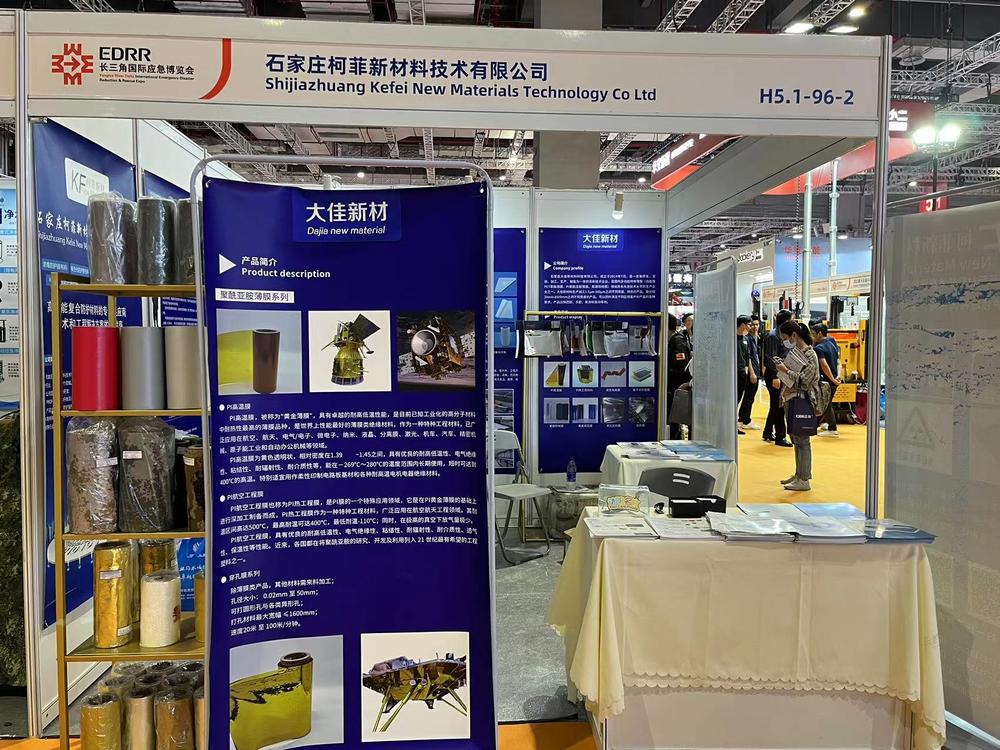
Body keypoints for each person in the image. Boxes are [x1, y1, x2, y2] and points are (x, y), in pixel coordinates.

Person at [776, 320, 821, 491]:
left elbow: (805, 381)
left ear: (794, 335)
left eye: (785, 338)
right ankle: (798, 474)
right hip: (792, 399)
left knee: (803, 441)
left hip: (803, 401)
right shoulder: (796, 353)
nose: (785, 341)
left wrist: (786, 370)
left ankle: (804, 478)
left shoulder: (810, 355)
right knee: (796, 439)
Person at [761, 309, 793, 447]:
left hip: (781, 374)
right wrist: (775, 376)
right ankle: (780, 436)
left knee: (776, 404)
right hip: (775, 375)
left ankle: (767, 432)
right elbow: (771, 358)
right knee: (779, 405)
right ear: (786, 321)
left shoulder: (783, 335)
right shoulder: (773, 336)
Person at [810, 322, 841, 437]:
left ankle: (832, 429)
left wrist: (832, 380)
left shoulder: (819, 348)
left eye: (813, 334)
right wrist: (838, 376)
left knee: (826, 405)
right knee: (826, 403)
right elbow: (838, 361)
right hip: (834, 379)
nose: (812, 336)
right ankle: (820, 424)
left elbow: (824, 365)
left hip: (827, 381)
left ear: (819, 333)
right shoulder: (832, 343)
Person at [667, 312, 692, 440]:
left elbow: (681, 367)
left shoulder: (677, 342)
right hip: (674, 387)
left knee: (674, 421)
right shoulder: (674, 340)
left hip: (676, 388)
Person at [739, 318, 761, 430]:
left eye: (757, 324)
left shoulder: (755, 338)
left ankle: (743, 418)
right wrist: (752, 372)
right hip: (750, 372)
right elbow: (748, 357)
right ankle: (745, 419)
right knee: (748, 396)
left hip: (755, 370)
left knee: (749, 396)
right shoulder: (746, 339)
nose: (754, 327)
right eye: (752, 324)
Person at [736, 316, 751, 435]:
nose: (750, 327)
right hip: (733, 373)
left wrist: (746, 369)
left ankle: (734, 425)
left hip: (742, 373)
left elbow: (747, 356)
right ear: (742, 325)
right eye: (749, 324)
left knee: (738, 399)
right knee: (733, 400)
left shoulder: (746, 339)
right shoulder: (731, 339)